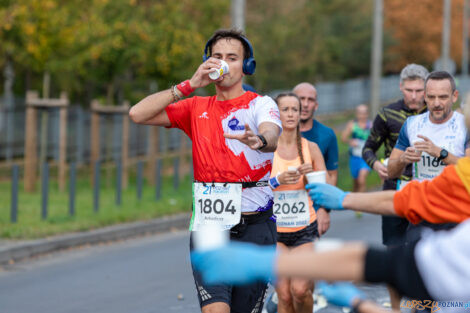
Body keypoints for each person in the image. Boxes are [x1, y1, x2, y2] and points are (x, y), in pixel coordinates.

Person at [129, 29, 282, 313]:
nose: (222, 63)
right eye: (216, 57)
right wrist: (189, 84)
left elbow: (271, 134)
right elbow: (137, 114)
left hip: (257, 226)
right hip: (210, 224)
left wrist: (258, 140)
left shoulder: (261, 104)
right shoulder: (195, 107)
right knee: (215, 310)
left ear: (246, 67)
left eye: (232, 58)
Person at [361, 63, 428, 310]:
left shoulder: (434, 115)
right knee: (393, 251)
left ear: (426, 89)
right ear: (401, 87)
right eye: (409, 90)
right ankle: (396, 308)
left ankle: (422, 305)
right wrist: (375, 164)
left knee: (423, 251)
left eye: (419, 90)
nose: (414, 95)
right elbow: (367, 148)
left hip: (424, 192)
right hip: (392, 188)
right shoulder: (388, 114)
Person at [388, 71, 470, 240]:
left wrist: (442, 154)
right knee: (412, 263)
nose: (437, 103)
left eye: (443, 97)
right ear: (424, 96)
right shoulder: (412, 124)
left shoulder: (464, 125)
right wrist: (403, 160)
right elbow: (391, 172)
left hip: (454, 212)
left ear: (454, 96)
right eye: (431, 97)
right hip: (421, 210)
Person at [270, 93, 328, 313]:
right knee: (284, 295)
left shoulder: (310, 148)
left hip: (304, 228)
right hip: (274, 231)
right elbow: (252, 188)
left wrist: (310, 176)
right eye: (285, 109)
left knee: (300, 290)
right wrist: (278, 180)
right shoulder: (266, 149)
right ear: (277, 113)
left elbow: (324, 190)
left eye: (295, 109)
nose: (291, 113)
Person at [293, 82, 337, 236]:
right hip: (280, 208)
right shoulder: (276, 134)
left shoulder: (327, 135)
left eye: (310, 100)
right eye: (301, 99)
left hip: (313, 209)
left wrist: (325, 209)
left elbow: (332, 176)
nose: (305, 104)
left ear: (316, 105)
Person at [341, 104, 372, 194]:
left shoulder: (371, 125)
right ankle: (354, 199)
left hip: (366, 157)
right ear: (356, 114)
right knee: (356, 182)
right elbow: (343, 138)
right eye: (360, 113)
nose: (362, 115)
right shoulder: (352, 125)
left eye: (364, 113)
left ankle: (360, 205)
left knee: (362, 180)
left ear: (367, 114)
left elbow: (376, 140)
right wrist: (350, 141)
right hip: (355, 157)